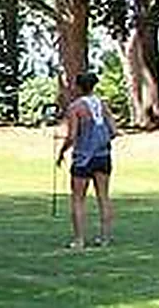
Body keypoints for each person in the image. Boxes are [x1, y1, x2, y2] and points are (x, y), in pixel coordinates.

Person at [56, 70, 118, 250]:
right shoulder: (102, 104)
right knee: (103, 198)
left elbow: (72, 136)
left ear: (78, 87)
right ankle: (104, 239)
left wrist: (62, 151)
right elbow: (114, 131)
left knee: (78, 200)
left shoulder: (75, 108)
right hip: (103, 156)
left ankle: (79, 240)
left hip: (83, 159)